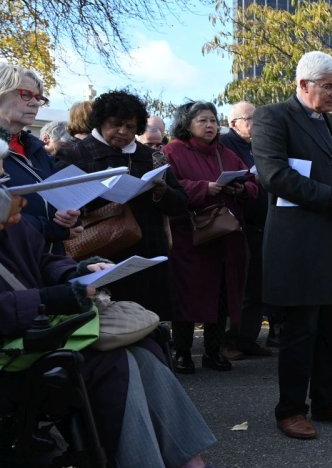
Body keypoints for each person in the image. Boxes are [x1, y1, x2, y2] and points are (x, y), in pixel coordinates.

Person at [0, 191, 256, 468]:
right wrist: (47, 298)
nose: (16, 193)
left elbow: (43, 261)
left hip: (37, 338)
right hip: (12, 360)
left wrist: (77, 271)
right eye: (1, 178)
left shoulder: (15, 226)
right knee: (111, 363)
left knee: (144, 348)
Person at [253, 51, 332, 440]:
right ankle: (290, 409)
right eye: (329, 87)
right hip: (301, 241)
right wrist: (331, 199)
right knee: (300, 328)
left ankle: (328, 400)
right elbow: (274, 174)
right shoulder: (274, 117)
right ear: (303, 84)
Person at [57, 90, 188, 320]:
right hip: (99, 254)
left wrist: (162, 191)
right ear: (99, 122)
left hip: (148, 255)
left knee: (150, 321)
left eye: (130, 127)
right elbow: (60, 204)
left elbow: (180, 204)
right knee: (109, 324)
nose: (123, 132)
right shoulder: (75, 154)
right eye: (115, 124)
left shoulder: (152, 157)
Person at [163, 101, 258, 373]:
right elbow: (169, 186)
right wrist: (204, 188)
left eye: (213, 120)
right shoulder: (173, 152)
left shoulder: (225, 153)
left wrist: (240, 189)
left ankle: (213, 352)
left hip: (227, 235)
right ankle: (182, 353)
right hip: (190, 237)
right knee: (188, 295)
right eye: (203, 120)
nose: (210, 125)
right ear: (187, 124)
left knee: (222, 294)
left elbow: (253, 183)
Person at [0, 66, 81, 249]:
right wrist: (53, 229)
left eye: (39, 98)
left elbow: (56, 201)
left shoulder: (37, 150)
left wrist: (70, 216)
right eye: (26, 95)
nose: (35, 103)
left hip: (47, 264)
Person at [218, 100, 274, 357]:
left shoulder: (261, 145)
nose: (256, 123)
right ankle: (230, 340)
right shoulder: (225, 146)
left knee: (258, 286)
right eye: (251, 119)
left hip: (264, 224)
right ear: (234, 123)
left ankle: (248, 338)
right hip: (238, 224)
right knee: (238, 286)